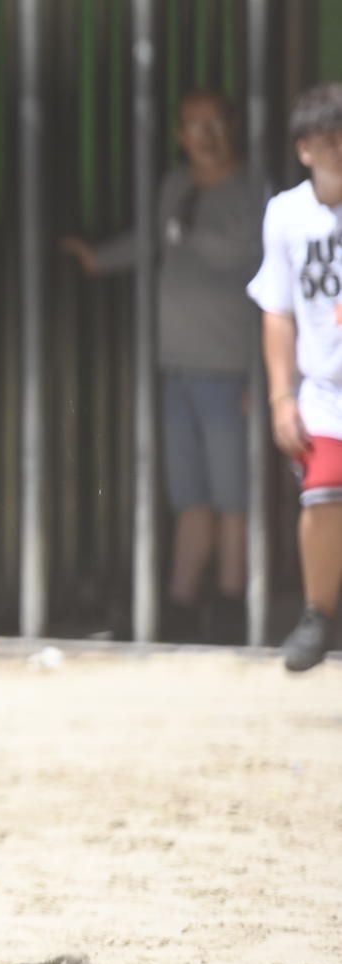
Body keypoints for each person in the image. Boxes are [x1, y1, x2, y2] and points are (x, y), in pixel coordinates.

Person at [63, 90, 263, 643]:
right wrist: (98, 260)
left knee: (231, 498)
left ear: (234, 125)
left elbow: (239, 253)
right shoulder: (175, 187)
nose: (201, 136)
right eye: (191, 125)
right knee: (190, 495)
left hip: (231, 369)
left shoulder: (253, 191)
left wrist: (262, 378)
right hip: (177, 364)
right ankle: (179, 605)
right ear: (178, 134)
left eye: (212, 124)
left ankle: (230, 605)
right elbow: (151, 241)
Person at [247, 83, 342, 672]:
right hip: (325, 390)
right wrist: (282, 395)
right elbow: (276, 310)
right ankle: (317, 613)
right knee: (323, 495)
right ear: (305, 148)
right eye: (330, 141)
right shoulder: (286, 214)